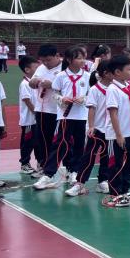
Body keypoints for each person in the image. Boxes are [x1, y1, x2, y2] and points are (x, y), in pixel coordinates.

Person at [35, 46, 90, 190]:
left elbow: (91, 94)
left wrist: (83, 99)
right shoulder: (61, 76)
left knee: (79, 145)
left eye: (83, 58)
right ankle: (48, 174)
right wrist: (62, 99)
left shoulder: (87, 76)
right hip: (65, 117)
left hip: (81, 116)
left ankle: (74, 172)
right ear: (69, 60)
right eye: (79, 58)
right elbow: (54, 94)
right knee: (60, 145)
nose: (83, 61)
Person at [67, 61, 113, 197]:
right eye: (114, 71)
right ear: (106, 73)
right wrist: (92, 126)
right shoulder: (94, 89)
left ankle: (103, 181)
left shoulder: (115, 88)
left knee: (106, 156)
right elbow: (92, 109)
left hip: (110, 129)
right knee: (88, 156)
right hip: (97, 129)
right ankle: (80, 184)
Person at [104, 55, 130, 207]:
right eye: (129, 69)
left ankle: (125, 191)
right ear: (118, 72)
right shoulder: (112, 89)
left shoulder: (128, 87)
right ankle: (115, 194)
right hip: (117, 135)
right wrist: (119, 135)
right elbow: (113, 113)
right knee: (116, 164)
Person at [29, 45, 63, 177]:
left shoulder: (65, 67)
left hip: (60, 111)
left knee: (61, 140)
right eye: (43, 60)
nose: (46, 63)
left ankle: (67, 168)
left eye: (48, 60)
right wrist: (33, 82)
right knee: (42, 140)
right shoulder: (41, 68)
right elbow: (32, 83)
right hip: (42, 110)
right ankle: (44, 167)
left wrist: (52, 85)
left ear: (57, 56)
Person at [17, 55, 38, 175]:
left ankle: (39, 163)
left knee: (36, 142)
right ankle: (24, 164)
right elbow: (27, 100)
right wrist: (36, 113)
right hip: (29, 120)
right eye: (36, 67)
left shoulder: (34, 82)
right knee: (27, 143)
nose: (38, 69)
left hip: (35, 120)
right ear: (27, 69)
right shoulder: (25, 83)